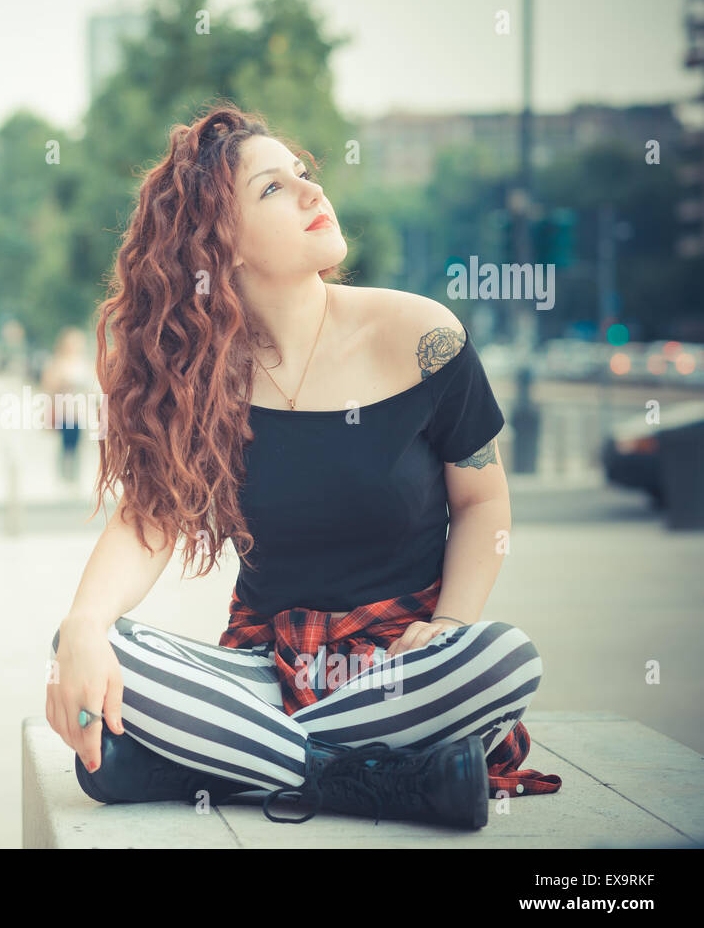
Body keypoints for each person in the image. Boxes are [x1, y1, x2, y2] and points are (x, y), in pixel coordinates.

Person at [45, 104, 561, 828]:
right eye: (272, 189)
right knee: (100, 645)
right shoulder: (204, 378)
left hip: (406, 670)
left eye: (302, 174)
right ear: (219, 247)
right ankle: (367, 776)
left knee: (507, 657)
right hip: (267, 668)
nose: (312, 192)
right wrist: (84, 624)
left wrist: (448, 624)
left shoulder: (424, 338)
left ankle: (228, 760)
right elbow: (149, 521)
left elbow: (483, 504)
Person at [40, 327, 96, 486]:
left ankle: (74, 475)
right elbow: (49, 386)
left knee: (77, 442)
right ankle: (64, 475)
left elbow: (94, 386)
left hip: (80, 410)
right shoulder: (57, 363)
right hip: (64, 410)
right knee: (66, 442)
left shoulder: (85, 363)